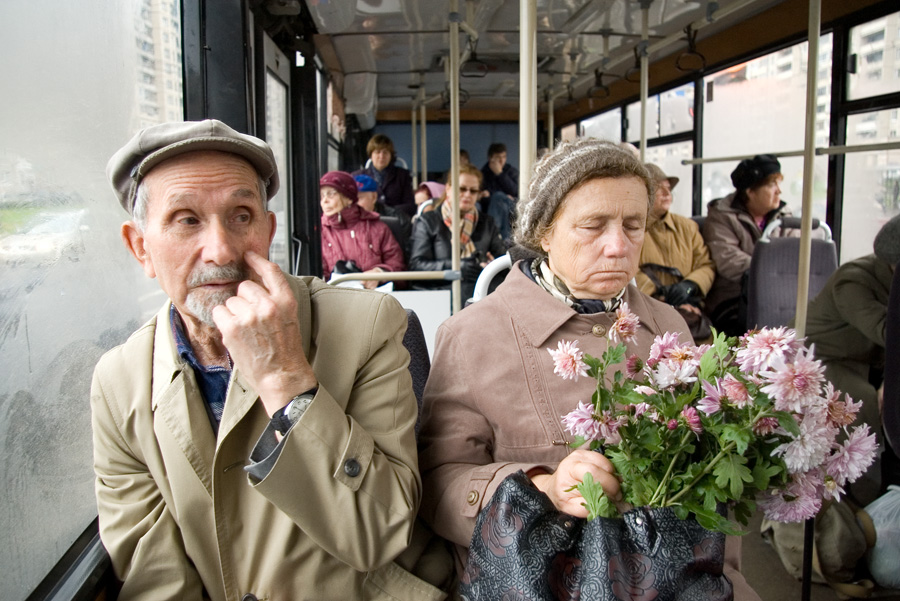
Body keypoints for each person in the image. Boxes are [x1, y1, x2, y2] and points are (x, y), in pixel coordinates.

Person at [93, 119, 449, 600]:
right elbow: (155, 578)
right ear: (141, 248)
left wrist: (285, 378)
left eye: (241, 215)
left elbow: (379, 532)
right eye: (186, 219)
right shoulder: (119, 383)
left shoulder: (369, 326)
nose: (219, 249)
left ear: (268, 229)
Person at [417, 138, 759, 601]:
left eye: (633, 226)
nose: (618, 247)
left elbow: (707, 488)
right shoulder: (474, 335)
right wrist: (540, 488)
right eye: (593, 226)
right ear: (543, 232)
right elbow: (436, 483)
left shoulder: (667, 325)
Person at [801, 215, 900, 498]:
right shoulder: (855, 281)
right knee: (861, 404)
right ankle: (869, 495)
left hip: (872, 359)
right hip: (825, 359)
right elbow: (889, 333)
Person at [702, 154, 789, 336]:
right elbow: (727, 259)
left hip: (779, 293)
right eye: (771, 185)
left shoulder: (785, 217)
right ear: (750, 191)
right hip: (734, 295)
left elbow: (795, 253)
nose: (778, 191)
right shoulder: (722, 216)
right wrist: (773, 272)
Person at [636, 163, 716, 341]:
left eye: (669, 189)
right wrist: (660, 296)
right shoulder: (633, 228)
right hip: (647, 309)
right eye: (659, 188)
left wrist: (690, 286)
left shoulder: (688, 227)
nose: (667, 194)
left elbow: (706, 265)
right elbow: (629, 270)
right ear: (644, 193)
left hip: (690, 309)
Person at [408, 164, 505, 301]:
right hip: (439, 294)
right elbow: (416, 265)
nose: (467, 195)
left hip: (479, 292)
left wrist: (489, 267)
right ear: (448, 188)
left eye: (473, 191)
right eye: (462, 189)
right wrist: (457, 267)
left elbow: (501, 260)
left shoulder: (487, 223)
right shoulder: (427, 221)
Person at [319, 170, 405, 288]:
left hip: (375, 299)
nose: (325, 200)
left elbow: (397, 265)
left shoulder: (378, 228)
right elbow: (316, 276)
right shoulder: (318, 233)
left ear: (348, 198)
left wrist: (379, 274)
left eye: (331, 194)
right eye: (322, 195)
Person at [352, 133, 416, 216]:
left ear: (391, 155)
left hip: (395, 219)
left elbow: (410, 206)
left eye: (385, 152)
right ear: (371, 155)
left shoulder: (403, 175)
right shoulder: (356, 176)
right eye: (377, 152)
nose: (381, 156)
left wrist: (388, 212)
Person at [354, 173, 412, 259]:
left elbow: (407, 252)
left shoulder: (397, 219)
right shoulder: (344, 220)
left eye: (359, 198)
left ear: (374, 197)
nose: (355, 204)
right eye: (351, 199)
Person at [480, 142, 518, 242]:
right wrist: (502, 196)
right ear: (490, 158)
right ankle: (504, 241)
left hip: (512, 209)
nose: (501, 160)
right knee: (500, 201)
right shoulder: (483, 174)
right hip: (492, 209)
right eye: (498, 157)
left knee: (500, 198)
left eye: (504, 157)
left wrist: (500, 174)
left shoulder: (511, 171)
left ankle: (493, 237)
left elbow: (516, 191)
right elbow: (482, 197)